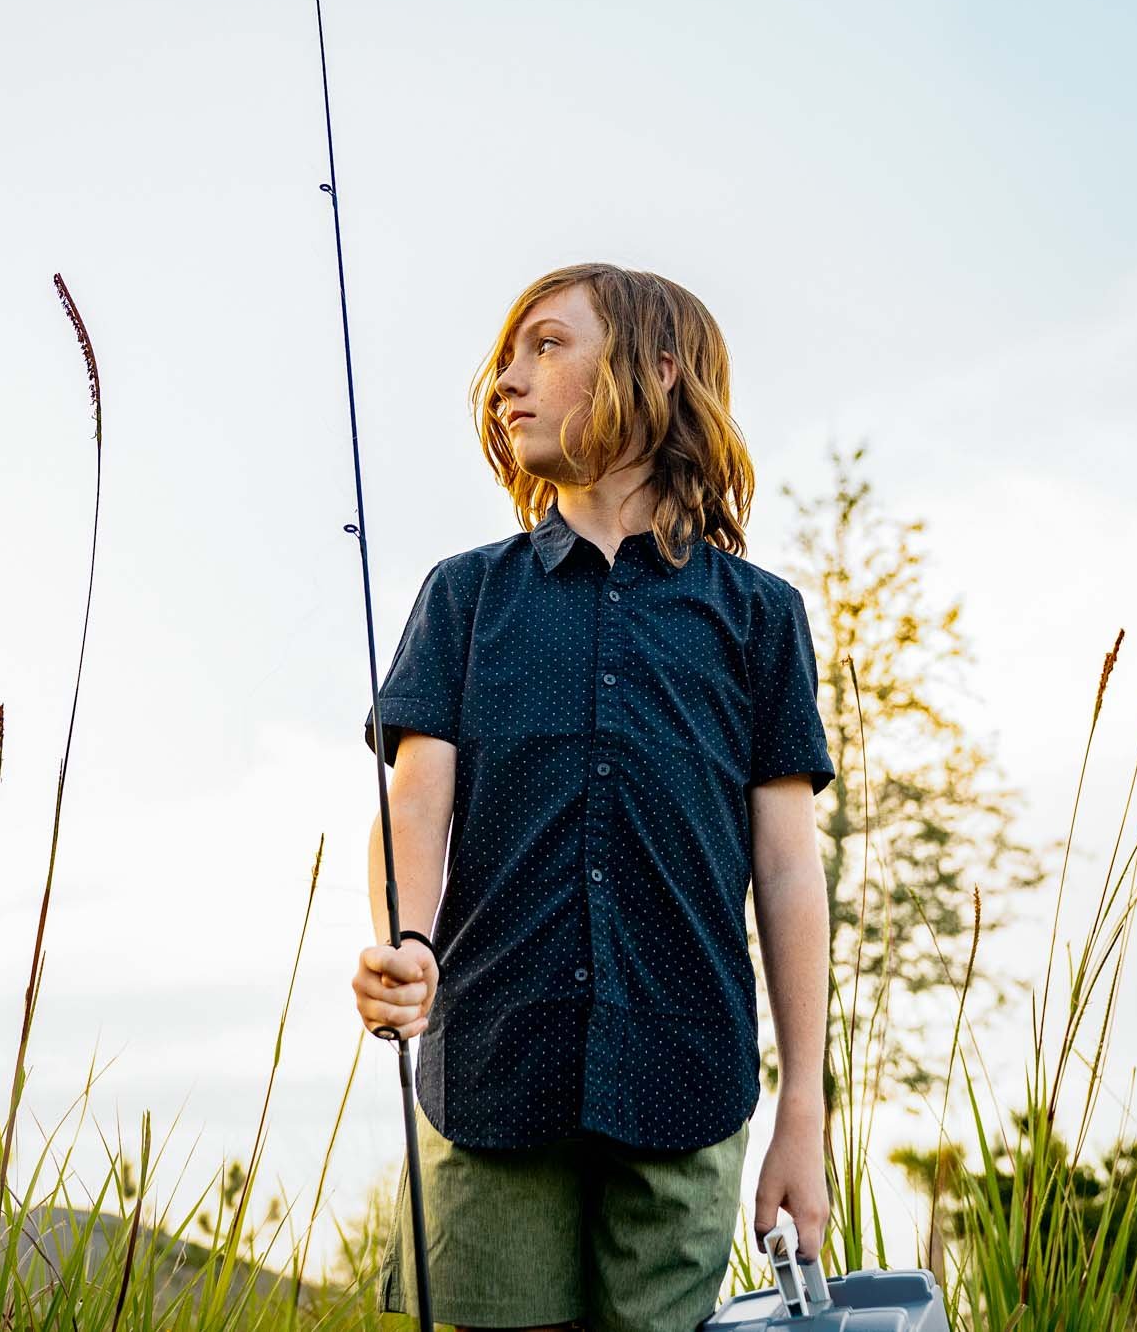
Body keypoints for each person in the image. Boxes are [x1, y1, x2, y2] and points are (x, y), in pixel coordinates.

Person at [351, 262, 836, 1332]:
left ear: (658, 372)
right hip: (488, 1075)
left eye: (546, 346)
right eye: (505, 356)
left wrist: (804, 1105)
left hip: (687, 1079)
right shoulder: (466, 594)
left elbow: (789, 868)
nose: (505, 380)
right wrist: (404, 937)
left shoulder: (757, 618)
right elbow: (415, 802)